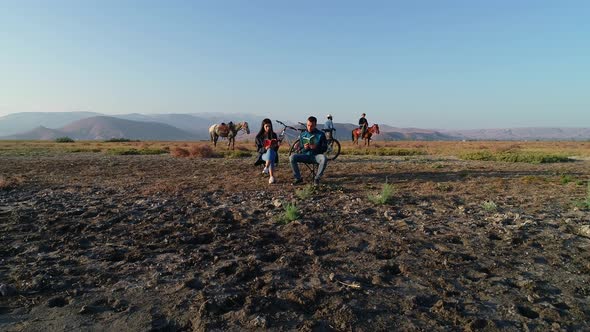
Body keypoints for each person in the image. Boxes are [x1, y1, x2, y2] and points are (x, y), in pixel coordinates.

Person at [289, 116, 328, 186]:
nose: (309, 127)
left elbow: (325, 148)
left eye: (312, 126)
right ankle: (298, 178)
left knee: (324, 158)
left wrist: (316, 147)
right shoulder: (303, 134)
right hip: (305, 155)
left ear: (315, 125)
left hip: (316, 156)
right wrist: (304, 147)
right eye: (308, 125)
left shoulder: (321, 134)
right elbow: (300, 149)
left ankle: (317, 178)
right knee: (292, 157)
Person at [254, 118, 279, 184]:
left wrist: (277, 145)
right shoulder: (258, 137)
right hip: (263, 155)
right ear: (263, 126)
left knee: (271, 152)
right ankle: (271, 176)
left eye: (269, 126)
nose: (268, 128)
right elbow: (258, 149)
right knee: (271, 154)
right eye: (266, 126)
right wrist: (265, 148)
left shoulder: (274, 135)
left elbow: (276, 149)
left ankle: (266, 168)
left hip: (272, 153)